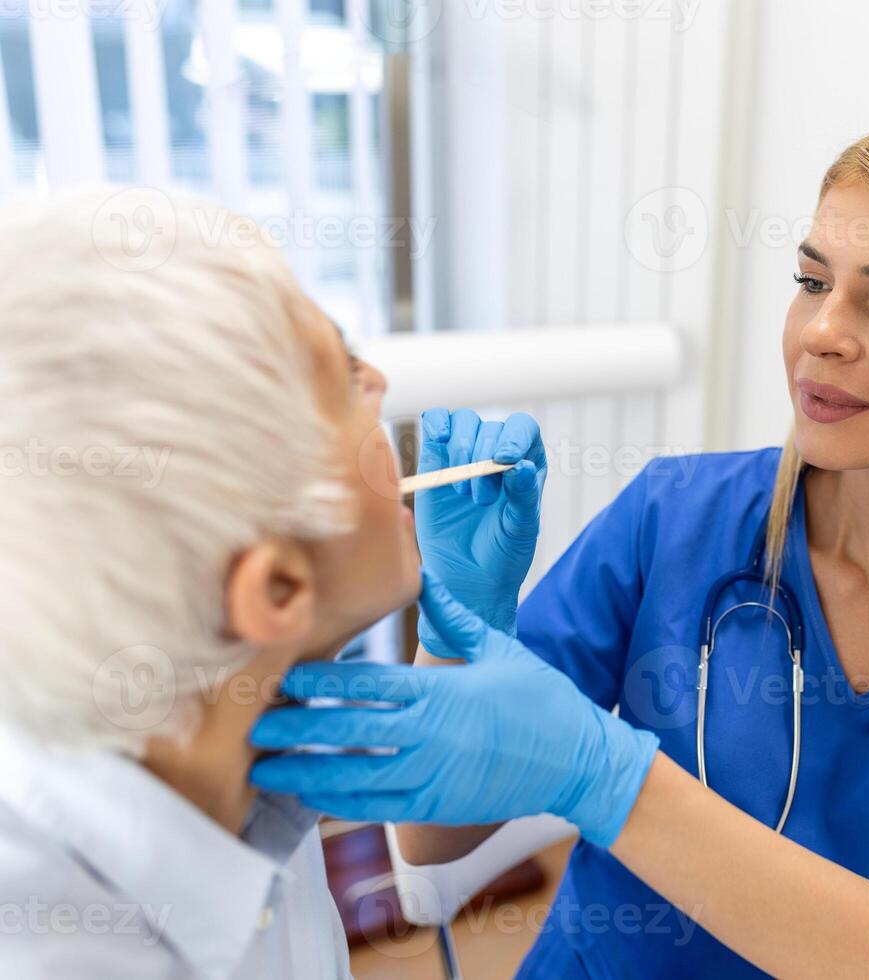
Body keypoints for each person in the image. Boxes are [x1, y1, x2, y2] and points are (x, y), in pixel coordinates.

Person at [250, 114, 869, 978]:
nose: (821, 334)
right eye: (813, 283)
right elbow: (435, 841)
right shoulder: (675, 517)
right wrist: (462, 642)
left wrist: (604, 774)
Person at [0, 188, 544, 978]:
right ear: (277, 590)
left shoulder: (218, 724)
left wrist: (462, 629)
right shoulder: (59, 947)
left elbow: (431, 815)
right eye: (341, 377)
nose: (380, 381)